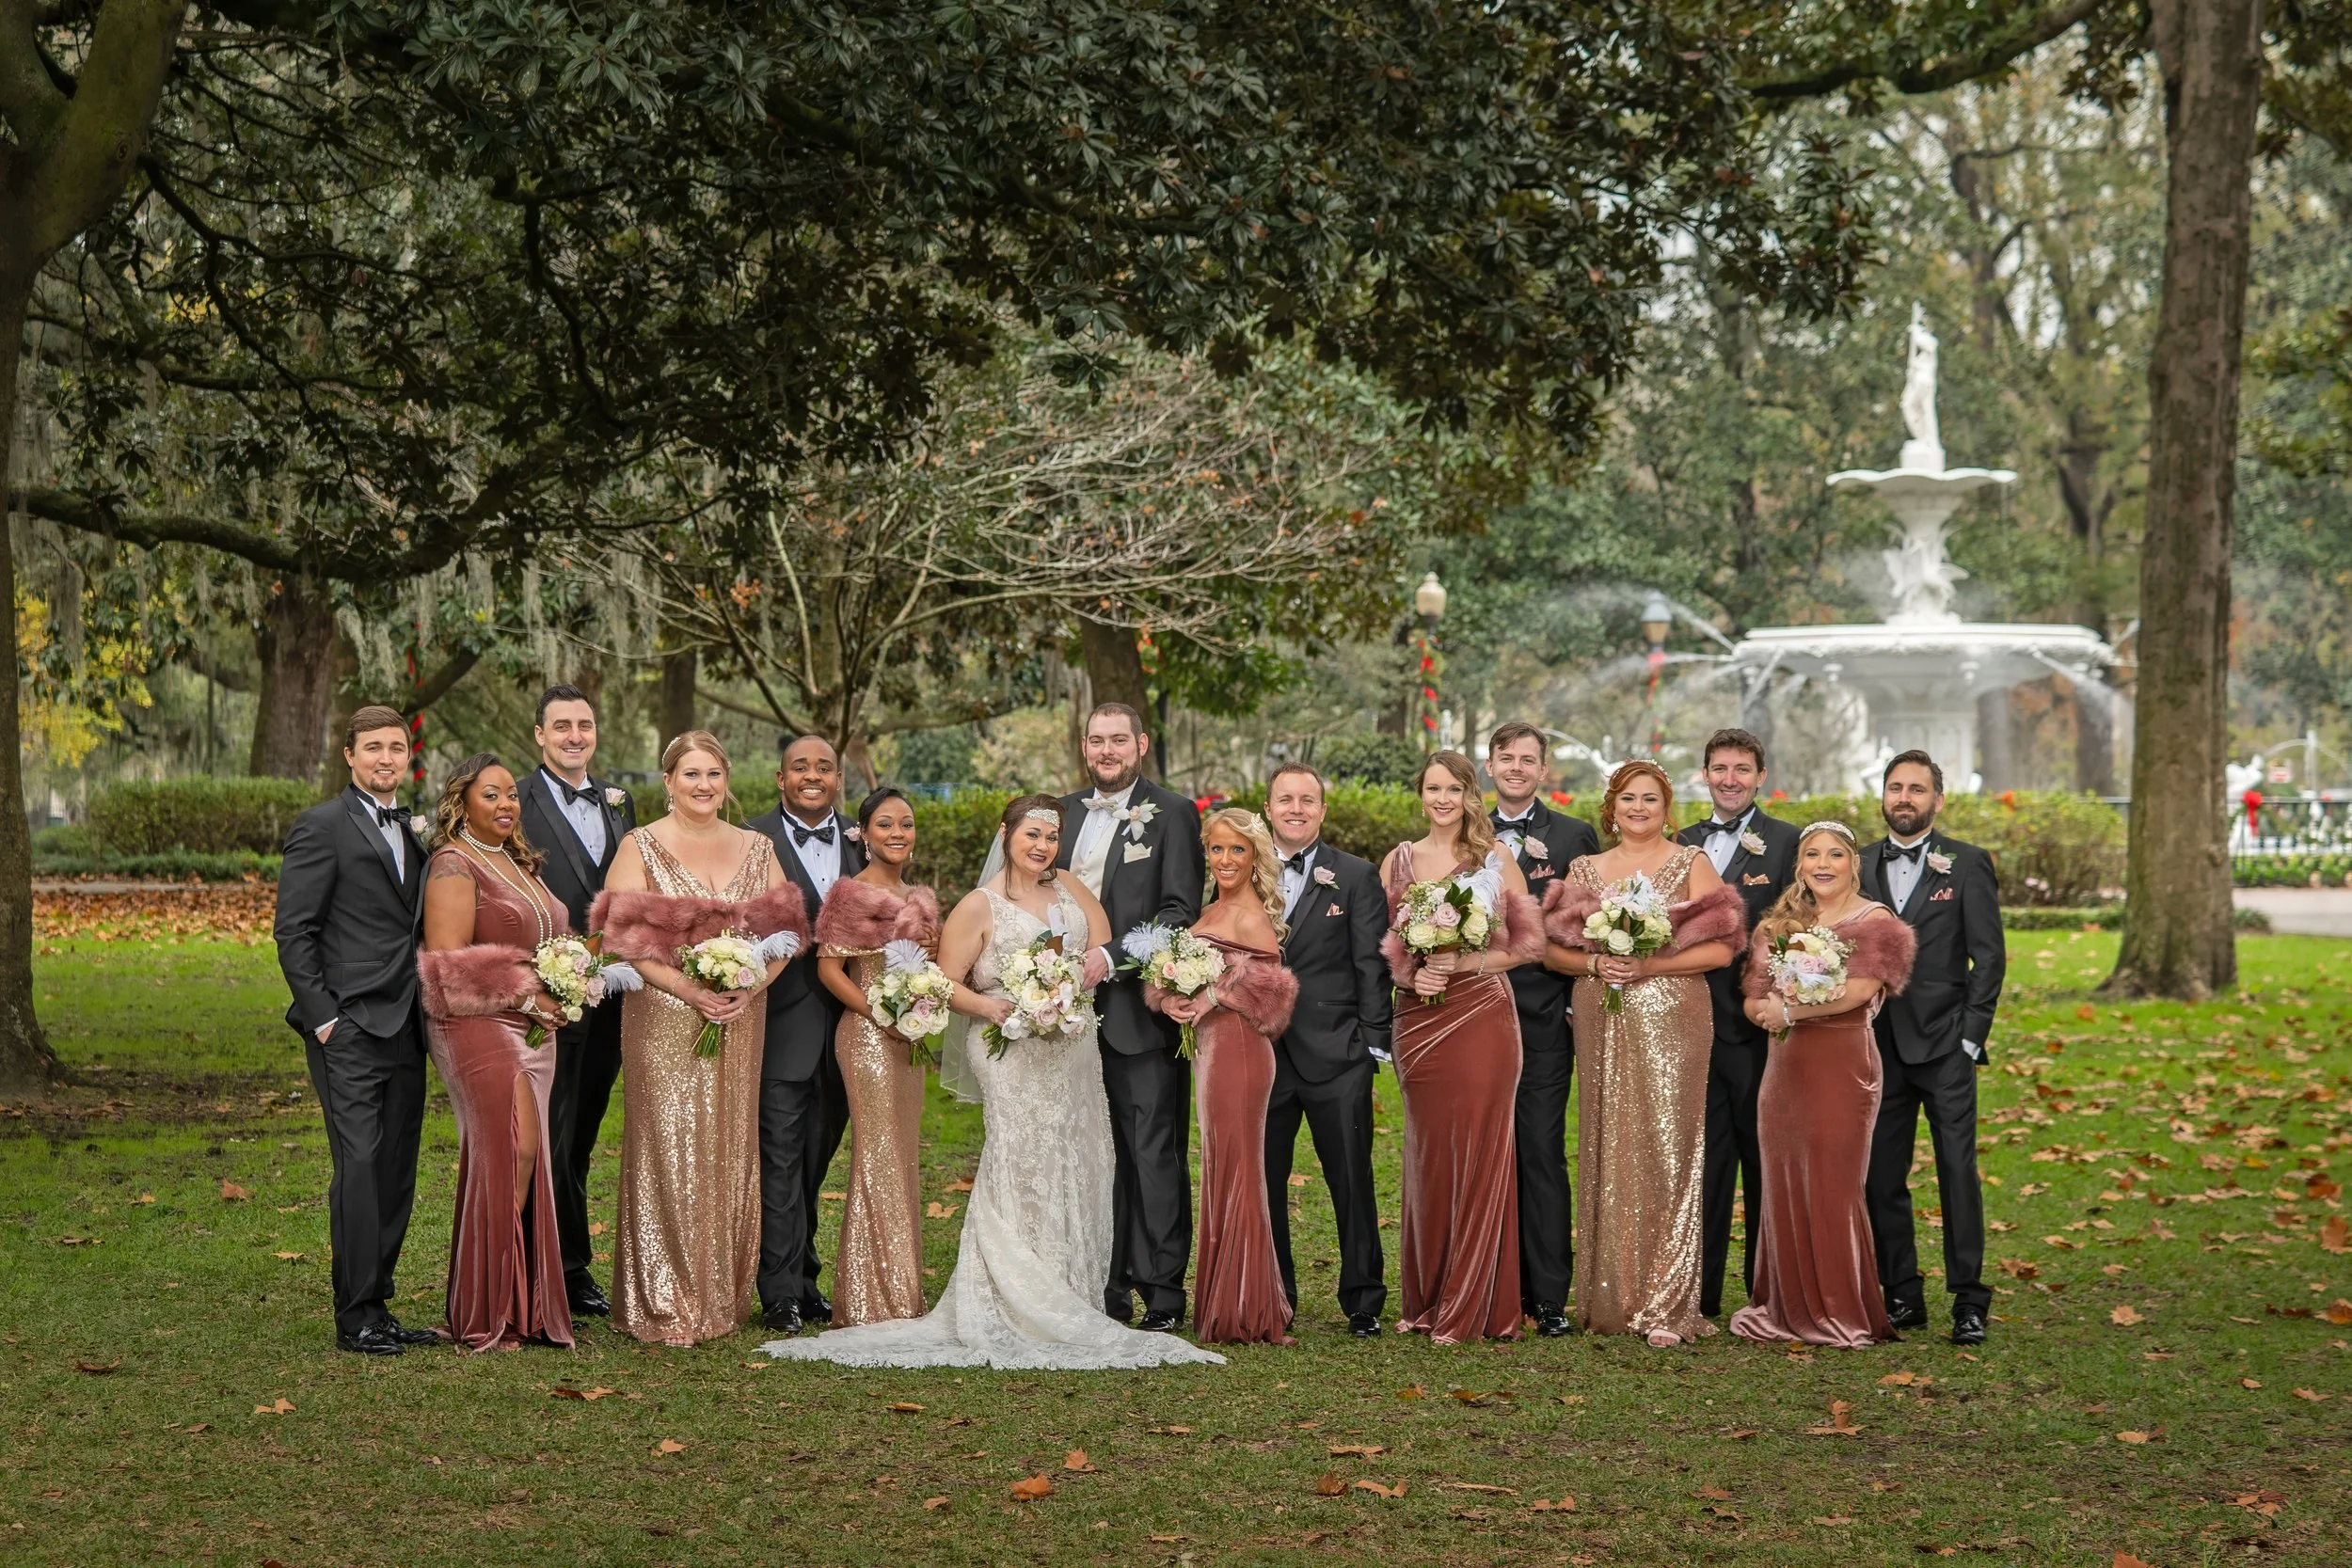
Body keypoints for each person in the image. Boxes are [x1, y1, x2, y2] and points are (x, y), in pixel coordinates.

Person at [764, 795, 1222, 1370]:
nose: (1041, 846)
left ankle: (1072, 1286)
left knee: (1079, 1157)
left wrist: (1071, 982)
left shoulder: (1074, 891)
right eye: (1031, 834)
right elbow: (942, 980)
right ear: (1006, 835)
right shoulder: (979, 907)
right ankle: (1012, 1292)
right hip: (1007, 1048)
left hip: (1071, 1048)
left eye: (1050, 838)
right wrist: (996, 1005)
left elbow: (1102, 947)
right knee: (1020, 1155)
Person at [590, 732, 805, 1346]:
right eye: (691, 773)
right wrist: (690, 992)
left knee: (727, 1142)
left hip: (738, 1015)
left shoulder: (758, 847)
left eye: (713, 772)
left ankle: (721, 1291)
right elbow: (621, 939)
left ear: (727, 778)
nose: (704, 784)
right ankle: (661, 1295)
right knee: (669, 1143)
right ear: (668, 780)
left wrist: (750, 986)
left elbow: (786, 930)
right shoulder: (640, 844)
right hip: (663, 1015)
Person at [1542, 760, 1744, 1347]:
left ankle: (1667, 1300)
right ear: (1612, 806)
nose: (1637, 808)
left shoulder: (1692, 863)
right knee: (1607, 1139)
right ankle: (1610, 1296)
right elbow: (1554, 953)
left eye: (1649, 799)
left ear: (1666, 807)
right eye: (1627, 798)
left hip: (1674, 1016)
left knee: (1668, 1144)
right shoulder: (1585, 868)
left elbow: (1723, 949)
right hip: (1601, 1013)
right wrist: (1595, 963)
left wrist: (1650, 963)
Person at [276, 705, 436, 1356]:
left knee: (396, 1167)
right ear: (349, 754)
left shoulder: (416, 831)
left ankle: (379, 1300)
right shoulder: (321, 827)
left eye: (396, 747)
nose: (385, 758)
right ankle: (354, 1314)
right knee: (361, 1164)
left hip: (409, 1023)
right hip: (347, 1028)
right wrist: (324, 1020)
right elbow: (294, 930)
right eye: (373, 747)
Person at [1378, 750, 1547, 1344]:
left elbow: (1530, 946)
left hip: (1481, 1018)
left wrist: (1461, 962)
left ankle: (1476, 1300)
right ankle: (1427, 1296)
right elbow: (1391, 950)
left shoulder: (1496, 859)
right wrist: (1412, 974)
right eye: (1432, 789)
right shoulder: (1398, 861)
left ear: (1470, 795)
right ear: (1420, 796)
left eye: (1454, 788)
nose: (1443, 799)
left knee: (1479, 1150)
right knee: (1428, 1155)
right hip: (1420, 1022)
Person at [1730, 821, 1916, 1349]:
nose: (1823, 864)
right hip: (1784, 1073)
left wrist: (1787, 1007)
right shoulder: (1779, 925)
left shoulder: (1875, 921)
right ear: (1799, 864)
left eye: (1835, 854)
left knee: (1835, 1187)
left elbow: (1859, 991)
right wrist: (1763, 1011)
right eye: (1812, 854)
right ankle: (1785, 1308)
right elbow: (1752, 995)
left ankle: (1840, 1311)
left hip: (1843, 1066)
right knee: (1784, 1187)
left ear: (1853, 862)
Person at [415, 753, 578, 1352]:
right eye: (491, 795)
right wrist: (529, 994)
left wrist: (568, 981)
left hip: (535, 1027)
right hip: (478, 1025)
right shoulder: (455, 864)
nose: (507, 804)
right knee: (515, 1149)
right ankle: (487, 1306)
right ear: (462, 802)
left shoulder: (514, 860)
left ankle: (520, 1305)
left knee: (528, 1156)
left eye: (511, 794)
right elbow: (445, 969)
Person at [1056, 704, 1205, 1332]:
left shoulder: (1170, 813)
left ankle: (1163, 1290)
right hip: (1058, 1018)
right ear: (1085, 747)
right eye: (1097, 740)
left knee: (1152, 1152)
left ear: (1141, 743)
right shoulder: (1059, 813)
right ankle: (1103, 1282)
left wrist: (1111, 959)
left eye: (1119, 739)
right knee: (1088, 1154)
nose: (1108, 749)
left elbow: (1177, 911)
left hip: (1137, 1016)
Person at [1859, 750, 2006, 1346]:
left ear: (1937, 801)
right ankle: (1902, 1294)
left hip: (1946, 1046)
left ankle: (1969, 1299)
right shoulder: (1860, 863)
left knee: (1956, 1172)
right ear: (1884, 796)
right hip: (1875, 1045)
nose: (1905, 798)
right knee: (1879, 1177)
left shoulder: (1968, 864)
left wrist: (1970, 1036)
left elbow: (1989, 957)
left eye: (1917, 789)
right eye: (1896, 787)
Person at [1145, 808, 1298, 1346]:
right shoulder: (1211, 909)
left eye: (1238, 849)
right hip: (1211, 1052)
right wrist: (1169, 997)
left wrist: (1211, 994)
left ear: (1255, 856)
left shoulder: (1251, 913)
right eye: (1217, 849)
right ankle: (1229, 1299)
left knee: (1236, 1169)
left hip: (1239, 1051)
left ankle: (1246, 1307)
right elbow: (1169, 975)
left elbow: (1272, 991)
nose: (1226, 859)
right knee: (1220, 1168)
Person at [514, 683, 638, 1321]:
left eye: (583, 724)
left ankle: (569, 1258)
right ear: (539, 734)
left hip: (612, 995)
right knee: (548, 1131)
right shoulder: (515, 799)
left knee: (583, 1133)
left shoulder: (620, 802)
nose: (573, 735)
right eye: (560, 725)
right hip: (548, 994)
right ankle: (551, 1267)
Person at [1260, 762, 1391, 1338]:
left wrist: (1373, 1042)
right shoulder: (1241, 868)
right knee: (1264, 1179)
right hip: (1261, 1056)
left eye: (1306, 800)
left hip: (1338, 1053)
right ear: (1267, 808)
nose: (1295, 808)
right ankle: (1275, 1294)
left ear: (1322, 810)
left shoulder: (1357, 875)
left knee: (1352, 1180)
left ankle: (1363, 1300)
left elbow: (1371, 963)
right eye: (1285, 799)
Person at [1673, 728, 1799, 1321]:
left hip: (1755, 1027)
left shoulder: (1789, 843)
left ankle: (1765, 1291)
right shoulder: (1680, 842)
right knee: (1705, 1162)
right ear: (1704, 774)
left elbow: (1803, 929)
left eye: (1741, 769)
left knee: (1761, 1158)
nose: (1730, 778)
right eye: (1719, 768)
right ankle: (1700, 1293)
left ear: (1759, 778)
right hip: (1687, 1020)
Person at [744, 735, 867, 1335]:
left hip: (849, 1030)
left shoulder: (864, 840)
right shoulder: (751, 838)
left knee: (817, 1158)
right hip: (780, 1023)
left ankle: (806, 1274)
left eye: (824, 767)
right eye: (800, 767)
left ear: (838, 779)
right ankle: (779, 1291)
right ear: (780, 777)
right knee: (780, 1160)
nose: (812, 776)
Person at [1486, 721, 1600, 1338]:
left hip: (1542, 1015)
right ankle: (1492, 1285)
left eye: (1528, 759)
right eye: (1507, 757)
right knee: (1483, 1154)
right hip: (1474, 1015)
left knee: (1539, 1152)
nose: (1517, 767)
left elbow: (1585, 925)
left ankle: (1550, 1294)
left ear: (1544, 769)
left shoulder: (1574, 836)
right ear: (1490, 763)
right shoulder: (1466, 833)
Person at [811, 788, 942, 1326]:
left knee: (903, 1159)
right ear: (863, 833)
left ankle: (901, 1293)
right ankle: (869, 1300)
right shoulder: (849, 894)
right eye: (884, 824)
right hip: (866, 1037)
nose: (897, 833)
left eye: (906, 824)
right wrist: (881, 1014)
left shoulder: (922, 898)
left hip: (908, 1040)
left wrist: (921, 1013)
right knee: (877, 1157)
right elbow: (829, 970)